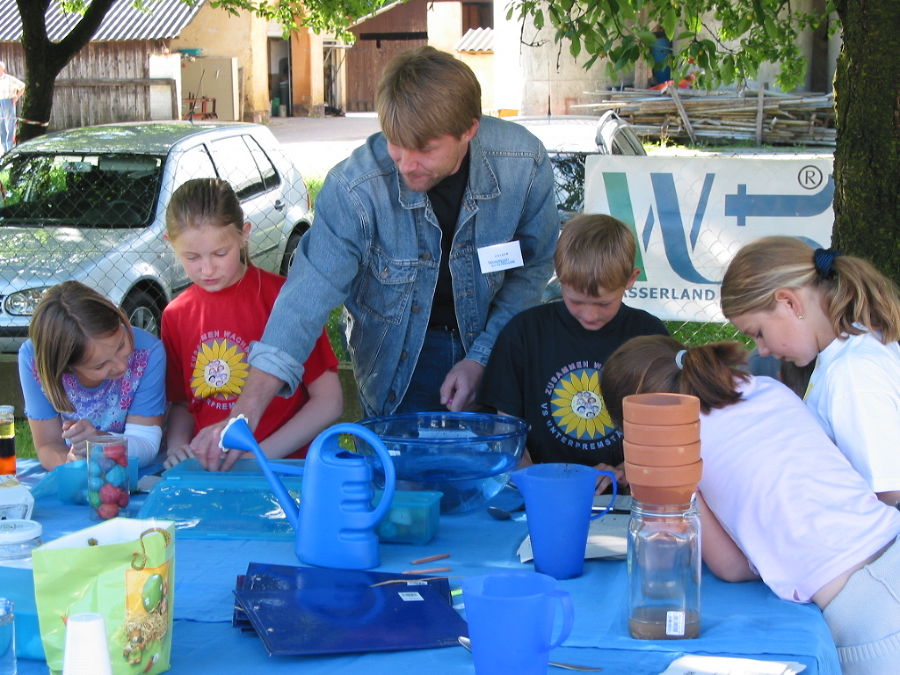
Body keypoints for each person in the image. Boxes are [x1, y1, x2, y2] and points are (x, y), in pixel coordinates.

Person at [190, 46, 558, 471]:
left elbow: (532, 270)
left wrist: (481, 356)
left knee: (493, 492)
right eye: (396, 145)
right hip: (399, 359)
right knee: (403, 497)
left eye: (426, 149)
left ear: (469, 130)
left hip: (500, 343)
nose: (407, 164)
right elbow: (304, 300)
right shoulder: (354, 188)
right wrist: (245, 411)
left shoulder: (523, 163)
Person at [601, 335, 900, 674]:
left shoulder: (680, 445)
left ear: (637, 417)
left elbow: (732, 568)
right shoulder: (766, 388)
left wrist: (670, 477)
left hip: (867, 616)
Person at [160, 178, 342, 467]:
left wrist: (261, 458)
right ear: (170, 244)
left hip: (282, 468)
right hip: (212, 470)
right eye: (191, 257)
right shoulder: (175, 314)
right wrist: (177, 447)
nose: (207, 269)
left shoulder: (286, 301)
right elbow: (182, 403)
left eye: (220, 253)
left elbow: (328, 402)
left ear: (244, 234)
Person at [479, 214, 667, 487]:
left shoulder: (649, 336)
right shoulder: (524, 332)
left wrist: (627, 470)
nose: (590, 315)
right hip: (539, 487)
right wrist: (533, 480)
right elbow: (506, 429)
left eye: (604, 303)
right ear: (559, 273)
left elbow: (665, 426)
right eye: (576, 301)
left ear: (631, 279)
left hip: (623, 495)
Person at [720, 236, 900, 506]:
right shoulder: (846, 354)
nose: (763, 350)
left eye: (758, 333)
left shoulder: (852, 372)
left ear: (789, 303)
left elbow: (886, 491)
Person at [17, 281, 166, 470]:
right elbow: (48, 445)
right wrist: (71, 462)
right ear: (67, 368)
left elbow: (146, 445)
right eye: (100, 365)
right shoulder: (34, 360)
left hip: (138, 471)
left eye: (121, 345)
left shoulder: (148, 352)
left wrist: (99, 442)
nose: (121, 365)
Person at [0, 60, 24, 153]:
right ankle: (4, 148)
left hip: (8, 102)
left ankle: (10, 148)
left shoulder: (9, 79)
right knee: (1, 126)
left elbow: (22, 86)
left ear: (3, 69)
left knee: (9, 125)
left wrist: (16, 97)